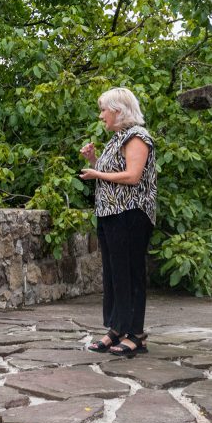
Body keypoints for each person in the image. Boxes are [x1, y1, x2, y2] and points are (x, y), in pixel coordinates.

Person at [81, 87, 158, 358]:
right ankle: (116, 328)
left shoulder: (137, 136)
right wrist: (93, 161)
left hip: (131, 214)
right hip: (111, 213)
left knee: (131, 272)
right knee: (114, 274)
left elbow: (133, 176)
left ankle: (135, 334)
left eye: (104, 109)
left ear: (118, 110)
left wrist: (96, 173)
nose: (101, 115)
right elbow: (110, 172)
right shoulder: (117, 138)